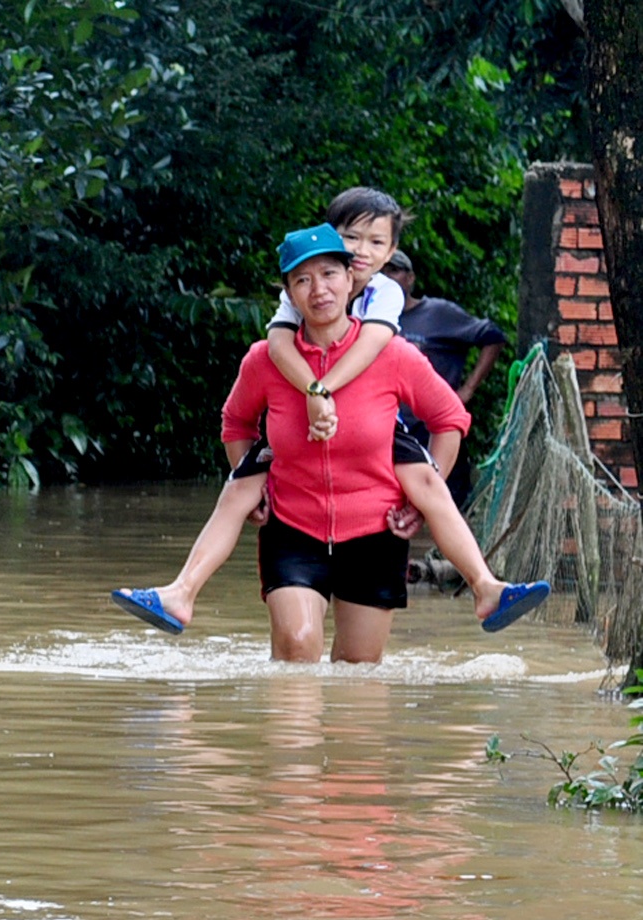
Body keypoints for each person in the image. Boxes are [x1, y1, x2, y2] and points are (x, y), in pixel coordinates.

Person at [112, 188, 545, 635]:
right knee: (240, 485)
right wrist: (310, 392)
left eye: (375, 244)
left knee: (426, 481)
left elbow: (380, 347)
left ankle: (485, 585)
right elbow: (278, 348)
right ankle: (181, 592)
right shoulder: (296, 296)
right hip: (298, 449)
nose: (360, 254)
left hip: (375, 435)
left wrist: (325, 389)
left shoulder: (384, 296)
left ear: (391, 252)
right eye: (352, 239)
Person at [216, 224, 495, 663]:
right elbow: (235, 422)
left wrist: (423, 495)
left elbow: (449, 419)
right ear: (288, 294)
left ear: (352, 280)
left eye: (329, 274)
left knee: (358, 677)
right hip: (292, 528)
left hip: (375, 531)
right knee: (296, 645)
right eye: (302, 280)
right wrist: (256, 488)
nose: (318, 289)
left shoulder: (394, 354)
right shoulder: (264, 359)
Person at [381, 247, 507, 505]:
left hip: (435, 430)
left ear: (410, 277)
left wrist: (468, 389)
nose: (386, 276)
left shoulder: (438, 313)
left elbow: (493, 337)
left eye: (393, 270)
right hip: (391, 433)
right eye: (381, 271)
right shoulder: (372, 320)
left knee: (444, 504)